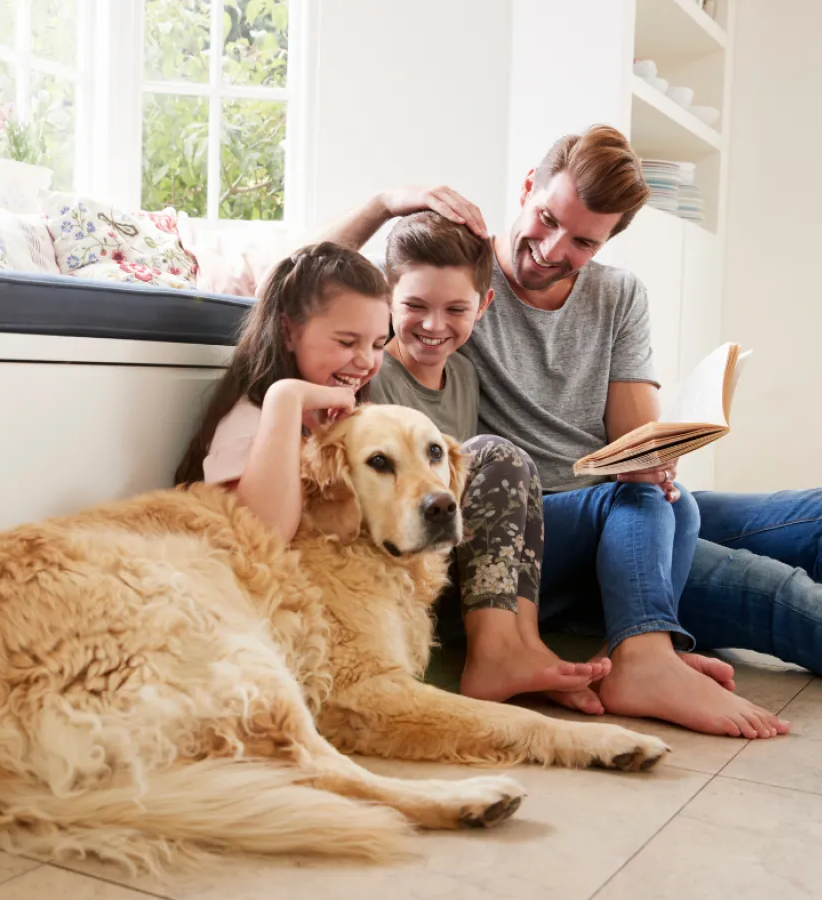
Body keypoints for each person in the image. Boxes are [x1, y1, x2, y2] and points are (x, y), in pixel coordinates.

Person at [319, 125, 793, 739]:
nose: (550, 248)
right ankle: (643, 658)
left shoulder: (471, 361)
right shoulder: (435, 291)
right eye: (546, 218)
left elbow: (630, 434)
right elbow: (306, 283)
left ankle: (647, 649)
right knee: (768, 586)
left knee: (688, 509)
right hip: (508, 527)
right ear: (527, 189)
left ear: (480, 309)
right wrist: (386, 202)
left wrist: (657, 454)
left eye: (582, 242)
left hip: (574, 518)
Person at [368, 210, 610, 704]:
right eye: (415, 305)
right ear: (386, 299)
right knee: (495, 452)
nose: (435, 325)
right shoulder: (373, 378)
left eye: (456, 310)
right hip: (402, 563)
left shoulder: (464, 376)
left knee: (520, 467)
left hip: (452, 561)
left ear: (484, 306)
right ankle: (495, 655)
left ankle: (524, 645)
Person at [174, 242, 391, 542]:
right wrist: (287, 397)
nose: (367, 360)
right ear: (288, 332)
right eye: (346, 342)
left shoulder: (335, 417)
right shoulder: (250, 424)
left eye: (378, 345)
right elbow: (265, 537)